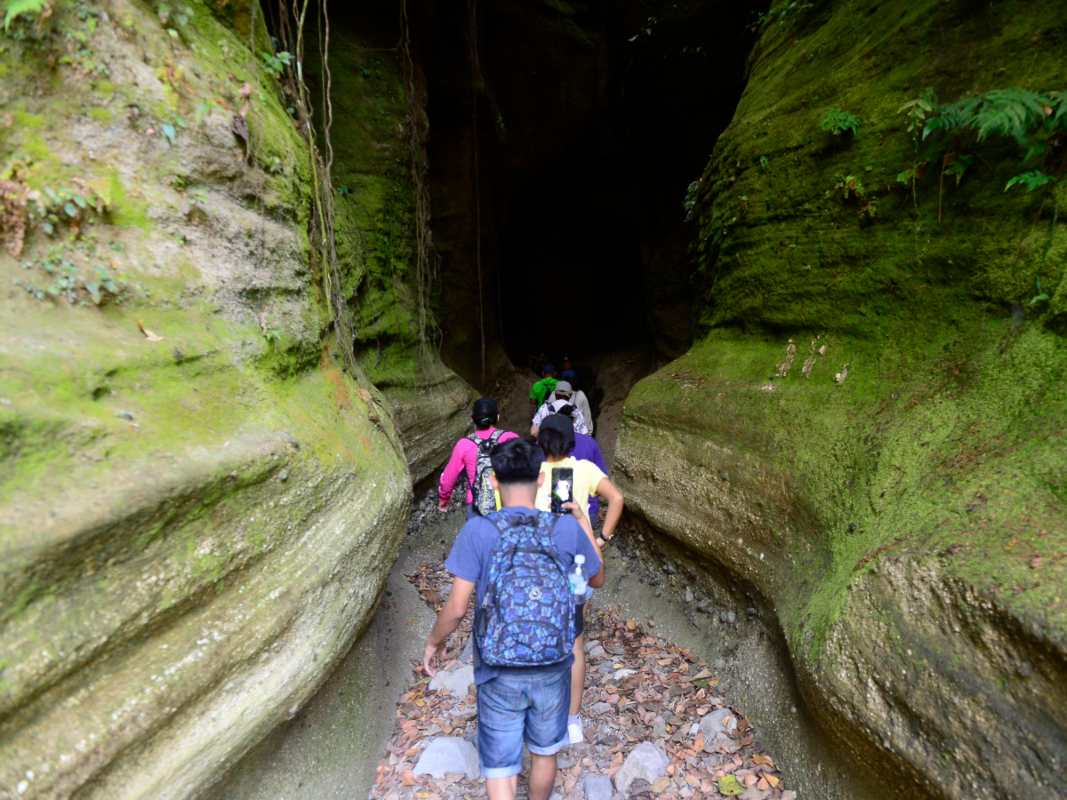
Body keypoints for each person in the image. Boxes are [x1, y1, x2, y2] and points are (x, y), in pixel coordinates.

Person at [423, 438, 604, 800]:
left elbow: (457, 608)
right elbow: (597, 578)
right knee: (544, 752)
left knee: (500, 766)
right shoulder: (564, 529)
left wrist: (433, 642)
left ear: (493, 481)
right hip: (553, 663)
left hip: (496, 667)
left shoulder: (478, 531)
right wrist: (582, 521)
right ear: (540, 479)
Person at [534, 415, 624, 745]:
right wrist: (601, 538)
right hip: (576, 568)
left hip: (540, 569)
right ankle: (573, 720)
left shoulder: (533, 473)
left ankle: (542, 710)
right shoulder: (585, 469)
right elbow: (617, 498)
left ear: (541, 440)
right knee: (575, 644)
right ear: (572, 439)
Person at [438, 398, 518, 517]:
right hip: (509, 500)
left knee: (478, 534)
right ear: (497, 417)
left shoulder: (464, 444)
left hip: (476, 504)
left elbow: (449, 476)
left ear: (473, 419)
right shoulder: (511, 438)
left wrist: (444, 499)